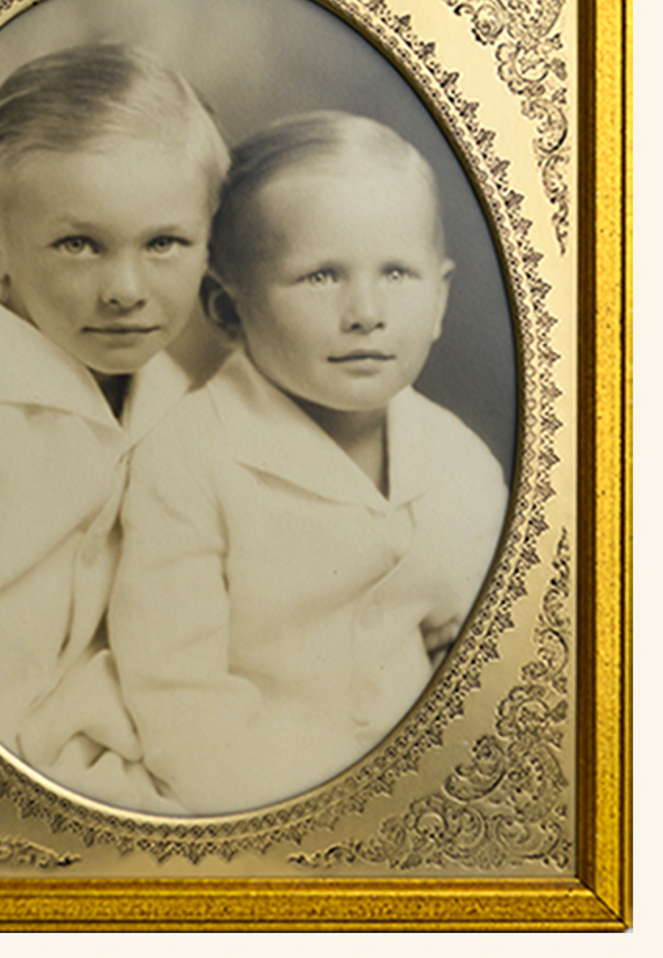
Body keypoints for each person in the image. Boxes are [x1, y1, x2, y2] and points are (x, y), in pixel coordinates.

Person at [0, 44, 228, 808]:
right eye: (78, 244)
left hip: (130, 751)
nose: (125, 289)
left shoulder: (174, 395)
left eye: (164, 243)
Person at [108, 111, 508, 816]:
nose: (366, 311)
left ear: (441, 297)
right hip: (245, 793)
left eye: (397, 272)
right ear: (228, 310)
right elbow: (177, 695)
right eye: (321, 276)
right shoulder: (186, 459)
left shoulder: (461, 462)